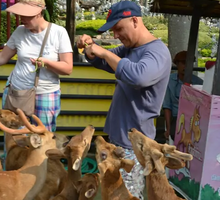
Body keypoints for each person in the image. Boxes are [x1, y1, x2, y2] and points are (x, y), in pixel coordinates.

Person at [76, 1, 171, 199]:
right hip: (119, 140)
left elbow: (139, 76)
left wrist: (101, 51)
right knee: (112, 193)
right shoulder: (129, 49)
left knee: (127, 195)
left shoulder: (157, 52)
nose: (116, 35)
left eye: (119, 28)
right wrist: (90, 49)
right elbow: (105, 61)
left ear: (135, 20)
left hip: (135, 146)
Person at [0, 0, 73, 132]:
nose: (22, 19)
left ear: (39, 13)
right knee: (14, 136)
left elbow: (67, 68)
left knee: (42, 140)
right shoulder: (20, 31)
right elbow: (2, 57)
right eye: (21, 14)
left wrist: (46, 62)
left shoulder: (58, 32)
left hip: (45, 94)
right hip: (16, 92)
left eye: (26, 15)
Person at [163, 51, 203, 141]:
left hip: (193, 120)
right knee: (175, 134)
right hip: (176, 118)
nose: (186, 66)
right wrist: (168, 128)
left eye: (189, 64)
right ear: (177, 64)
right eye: (183, 63)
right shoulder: (169, 80)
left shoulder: (199, 83)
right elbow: (167, 106)